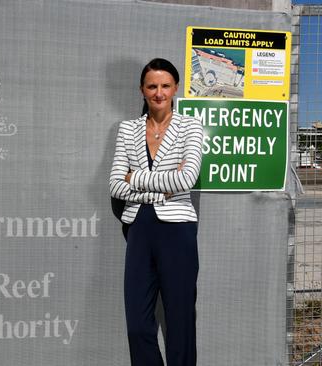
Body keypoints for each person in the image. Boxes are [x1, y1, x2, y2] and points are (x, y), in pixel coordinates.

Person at [109, 58, 203, 366]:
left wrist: (135, 177)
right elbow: (115, 186)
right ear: (142, 90)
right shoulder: (127, 130)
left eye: (165, 86)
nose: (158, 93)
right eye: (152, 86)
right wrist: (164, 187)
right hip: (139, 229)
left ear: (175, 88)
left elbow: (187, 178)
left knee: (180, 324)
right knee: (137, 325)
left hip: (178, 231)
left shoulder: (190, 126)